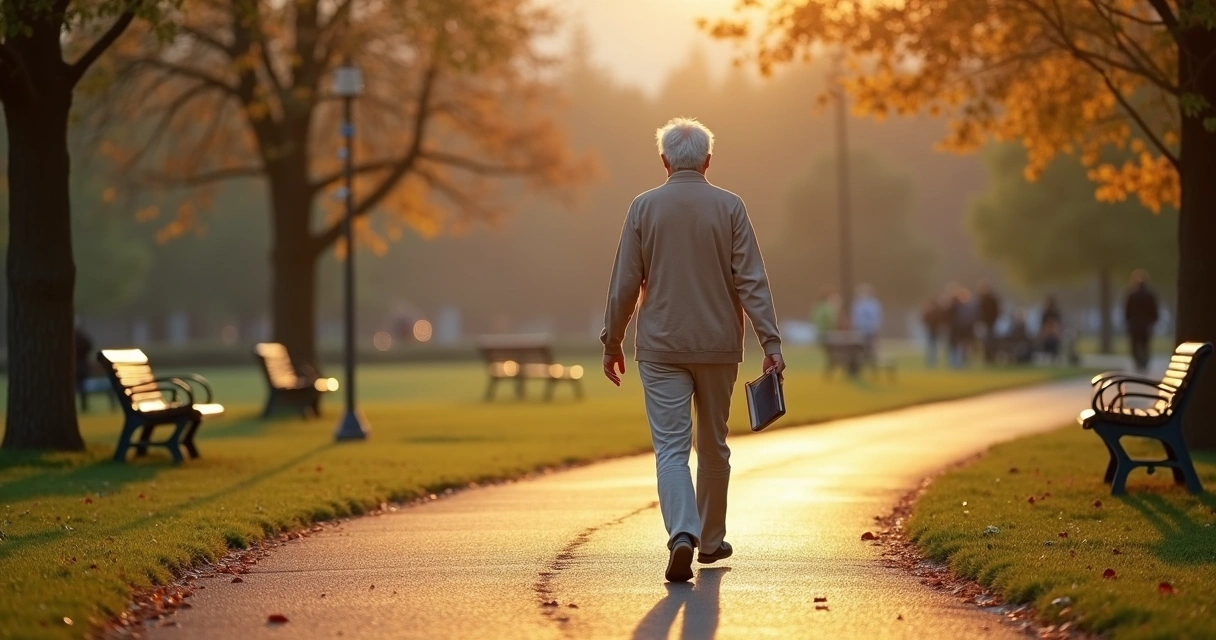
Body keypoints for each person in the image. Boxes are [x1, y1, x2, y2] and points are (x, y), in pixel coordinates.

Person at [601, 117, 783, 583]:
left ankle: (681, 532)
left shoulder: (643, 208)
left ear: (664, 161)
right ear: (707, 161)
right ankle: (711, 538)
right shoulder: (730, 207)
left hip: (661, 346)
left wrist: (613, 340)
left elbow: (625, 283)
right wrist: (770, 341)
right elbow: (752, 281)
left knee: (671, 448)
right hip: (719, 345)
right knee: (713, 444)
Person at [1124, 269, 1160, 373]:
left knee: (1135, 344)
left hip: (1134, 324)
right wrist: (1153, 321)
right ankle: (1144, 362)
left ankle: (1138, 362)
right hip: (1146, 324)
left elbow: (1127, 310)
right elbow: (1154, 310)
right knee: (1145, 344)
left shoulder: (1131, 295)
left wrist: (1128, 321)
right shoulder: (1150, 295)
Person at [850, 284, 883, 366]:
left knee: (867, 349)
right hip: (867, 330)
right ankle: (871, 364)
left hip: (863, 330)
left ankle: (866, 363)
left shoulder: (858, 304)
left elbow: (854, 318)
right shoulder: (873, 304)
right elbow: (877, 318)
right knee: (869, 350)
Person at [948, 287, 976, 368]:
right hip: (960, 330)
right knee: (960, 347)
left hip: (967, 330)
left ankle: (964, 362)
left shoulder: (969, 306)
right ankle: (958, 363)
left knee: (966, 347)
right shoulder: (956, 306)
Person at [976, 281, 1001, 363]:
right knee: (985, 341)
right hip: (985, 323)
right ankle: (987, 357)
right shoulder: (981, 299)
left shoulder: (989, 299)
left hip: (990, 323)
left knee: (989, 340)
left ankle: (990, 357)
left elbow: (996, 311)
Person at [921, 296, 945, 367]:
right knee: (933, 347)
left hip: (932, 331)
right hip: (934, 331)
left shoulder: (931, 311)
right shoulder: (938, 311)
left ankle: (931, 361)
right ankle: (932, 361)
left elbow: (924, 319)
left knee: (931, 347)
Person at [1039, 295, 1064, 359]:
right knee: (1046, 351)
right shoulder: (1045, 314)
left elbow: (1058, 326)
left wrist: (1056, 332)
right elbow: (1043, 326)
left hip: (1054, 335)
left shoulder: (1056, 313)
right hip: (1047, 335)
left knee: (1054, 351)